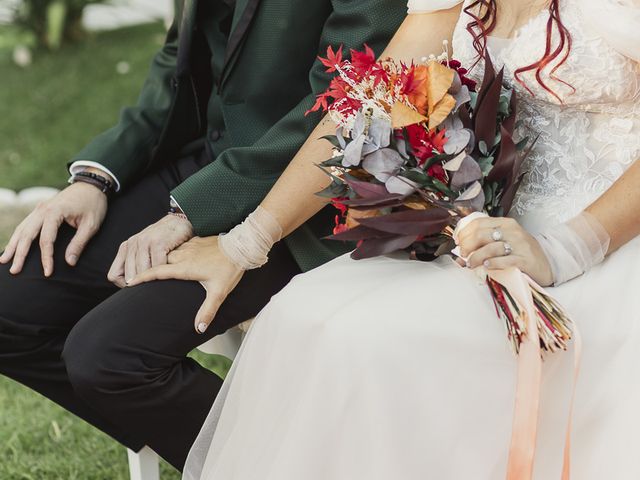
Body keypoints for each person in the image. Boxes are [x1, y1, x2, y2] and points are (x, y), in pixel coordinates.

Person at [129, 0, 640, 478]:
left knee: (380, 341)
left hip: (605, 233)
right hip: (482, 228)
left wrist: (562, 250)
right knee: (308, 316)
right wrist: (246, 241)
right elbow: (368, 105)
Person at [0, 0, 407, 471]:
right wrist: (94, 177)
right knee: (10, 311)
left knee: (108, 358)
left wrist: (193, 211)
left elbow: (349, 105)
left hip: (309, 199)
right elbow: (179, 57)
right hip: (203, 160)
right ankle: (272, 459)